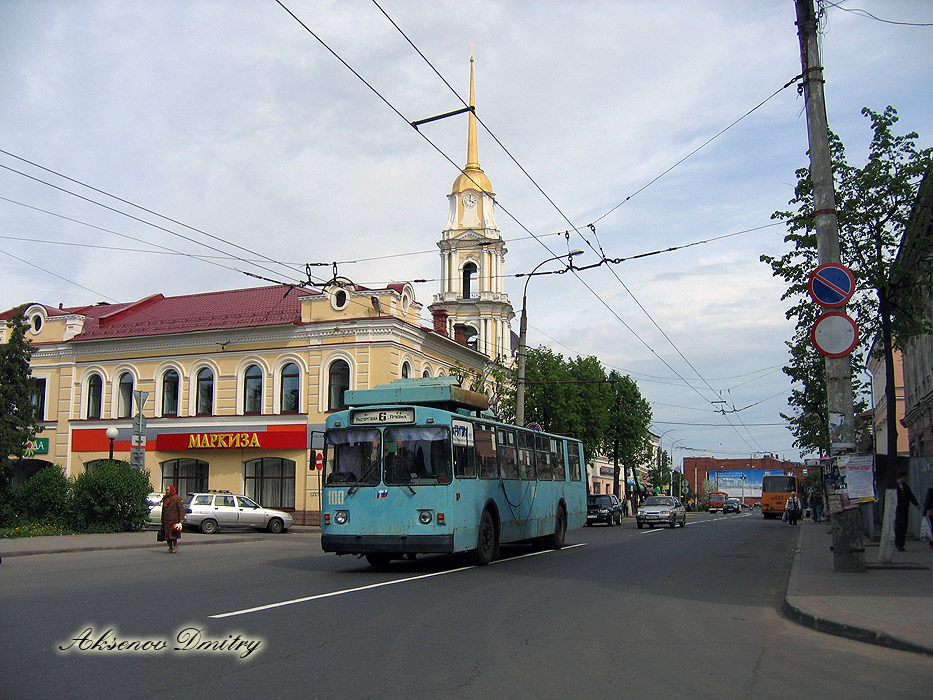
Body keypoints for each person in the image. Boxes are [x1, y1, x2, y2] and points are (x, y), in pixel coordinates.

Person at [893, 470, 919, 552]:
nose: (906, 479)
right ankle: (898, 543)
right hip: (897, 510)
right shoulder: (894, 487)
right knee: (899, 526)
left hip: (905, 510)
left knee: (904, 526)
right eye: (905, 477)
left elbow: (911, 496)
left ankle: (901, 543)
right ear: (902, 477)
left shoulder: (906, 487)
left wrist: (916, 504)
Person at [161, 485, 185, 554]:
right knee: (167, 535)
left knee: (173, 534)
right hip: (166, 520)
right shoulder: (165, 499)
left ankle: (175, 546)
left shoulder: (177, 498)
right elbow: (163, 510)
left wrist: (181, 519)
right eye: (166, 490)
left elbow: (181, 509)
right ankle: (169, 548)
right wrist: (162, 519)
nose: (167, 491)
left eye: (168, 490)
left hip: (174, 520)